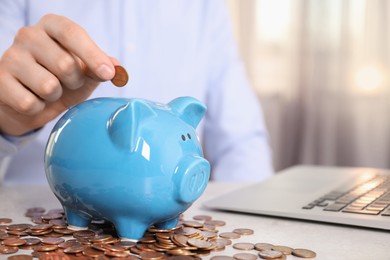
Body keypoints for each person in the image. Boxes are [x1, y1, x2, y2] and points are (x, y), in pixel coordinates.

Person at [0, 0, 273, 185]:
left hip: (171, 228)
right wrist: (6, 123)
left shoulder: (204, 6)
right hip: (39, 217)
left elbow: (241, 142)